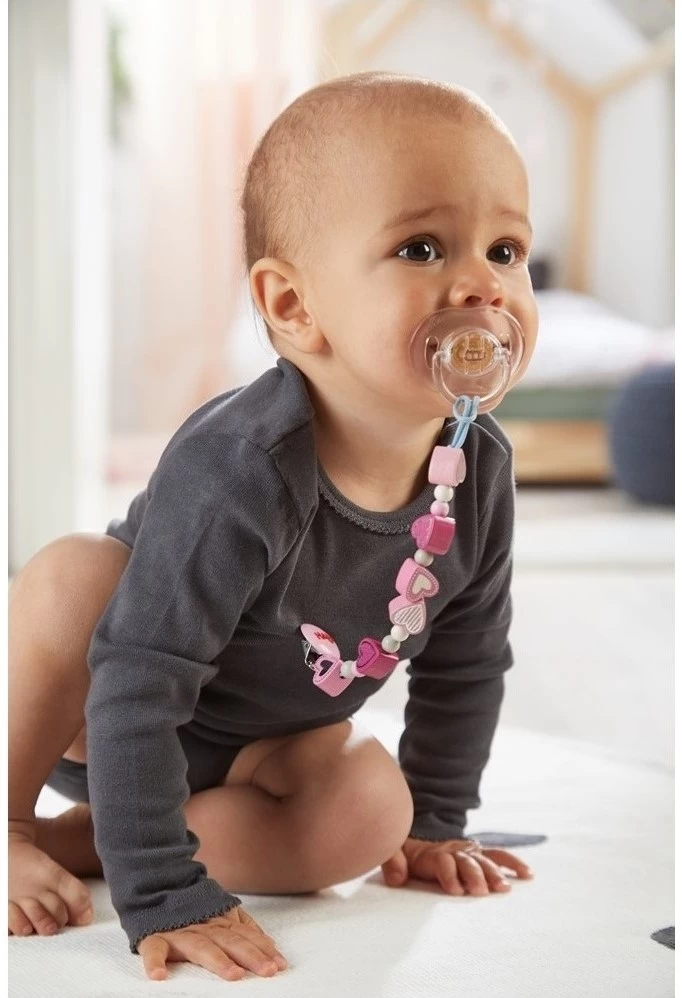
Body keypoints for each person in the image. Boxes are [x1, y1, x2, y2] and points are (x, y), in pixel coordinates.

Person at [8, 71, 538, 983]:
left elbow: (467, 661)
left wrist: (435, 820)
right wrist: (165, 894)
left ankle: (92, 842)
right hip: (109, 704)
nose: (483, 285)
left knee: (372, 809)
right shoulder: (242, 467)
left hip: (264, 748)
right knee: (71, 579)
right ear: (294, 307)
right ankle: (15, 823)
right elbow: (138, 678)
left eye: (506, 249)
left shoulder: (477, 474)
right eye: (421, 248)